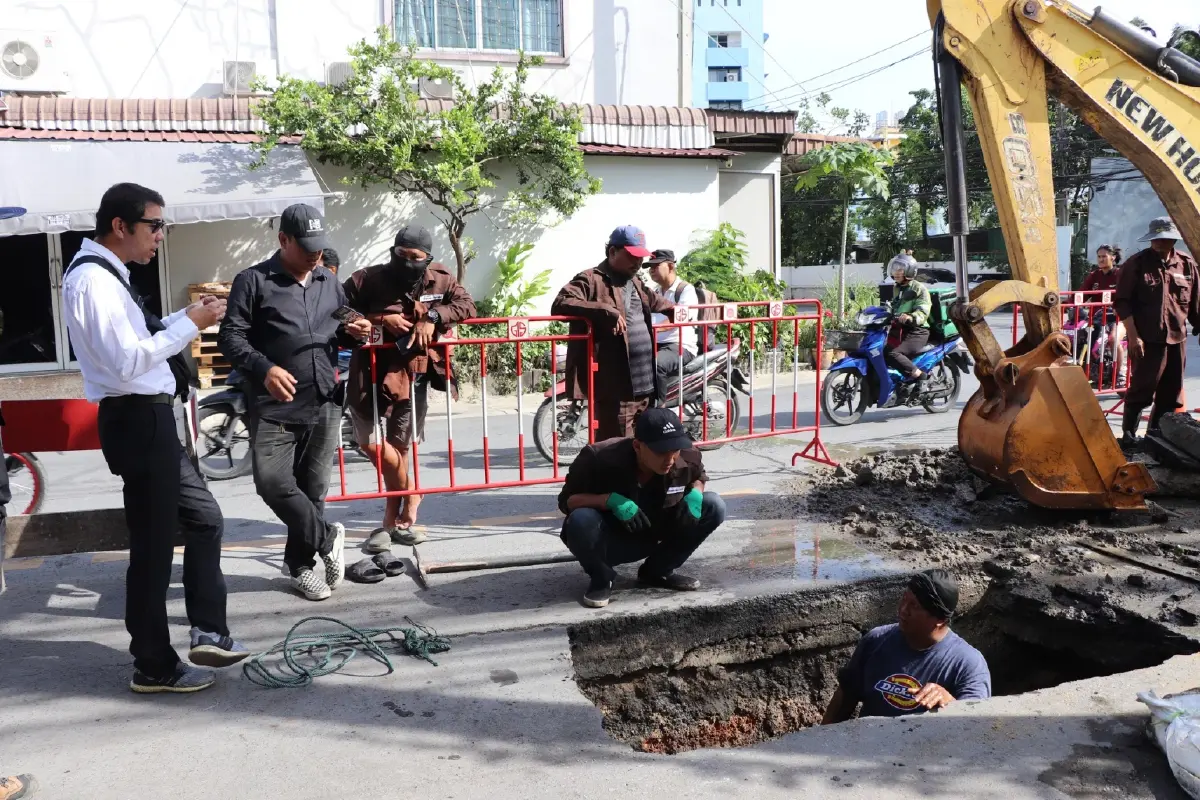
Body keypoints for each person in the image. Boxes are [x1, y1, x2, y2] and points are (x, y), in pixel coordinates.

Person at [61, 182, 247, 694]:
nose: (161, 236)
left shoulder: (107, 275)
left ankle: (208, 630)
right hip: (136, 420)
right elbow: (125, 362)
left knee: (204, 521)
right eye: (154, 225)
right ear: (121, 227)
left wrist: (188, 317)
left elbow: (139, 341)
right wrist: (189, 328)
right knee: (153, 550)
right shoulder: (93, 282)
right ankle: (153, 663)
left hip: (151, 420)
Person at [219, 203, 372, 601]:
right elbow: (230, 338)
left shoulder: (328, 282)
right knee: (272, 483)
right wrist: (264, 368)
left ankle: (301, 566)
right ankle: (327, 536)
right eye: (306, 247)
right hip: (274, 405)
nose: (315, 255)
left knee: (313, 488)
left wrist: (357, 331)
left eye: (320, 247)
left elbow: (340, 328)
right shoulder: (252, 281)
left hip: (323, 398)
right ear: (283, 240)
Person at [343, 225, 476, 552]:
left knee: (399, 447)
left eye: (415, 258)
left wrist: (433, 316)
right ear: (393, 251)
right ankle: (411, 492)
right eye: (401, 255)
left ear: (427, 259)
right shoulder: (367, 279)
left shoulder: (440, 279)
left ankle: (390, 521)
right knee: (371, 444)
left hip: (414, 372)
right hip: (369, 373)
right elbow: (336, 307)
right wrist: (375, 319)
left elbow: (467, 306)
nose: (407, 263)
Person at [557, 407, 726, 608]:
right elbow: (567, 501)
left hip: (656, 532)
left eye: (675, 451)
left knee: (714, 505)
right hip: (613, 539)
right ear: (637, 446)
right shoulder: (598, 458)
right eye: (661, 452)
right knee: (580, 520)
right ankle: (602, 577)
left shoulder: (687, 456)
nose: (670, 460)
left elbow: (698, 477)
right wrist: (609, 500)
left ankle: (657, 571)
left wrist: (697, 493)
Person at [552, 226, 675, 440]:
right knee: (616, 452)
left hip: (645, 387)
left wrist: (675, 310)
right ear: (612, 252)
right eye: (631, 256)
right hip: (617, 391)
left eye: (640, 258)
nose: (637, 263)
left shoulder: (635, 281)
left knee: (643, 453)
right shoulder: (591, 279)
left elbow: (653, 300)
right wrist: (604, 310)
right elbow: (561, 303)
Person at [822, 569, 991, 723]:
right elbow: (844, 698)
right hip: (866, 750)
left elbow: (976, 727)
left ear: (940, 619)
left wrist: (950, 703)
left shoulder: (968, 664)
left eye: (914, 606)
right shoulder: (876, 641)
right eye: (904, 599)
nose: (903, 610)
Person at [1114, 217, 1200, 446]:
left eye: (1164, 239)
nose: (1159, 243)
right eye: (1156, 239)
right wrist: (1133, 336)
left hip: (1177, 339)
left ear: (1173, 240)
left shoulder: (1187, 264)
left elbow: (1195, 304)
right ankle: (1129, 438)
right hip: (1147, 340)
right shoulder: (1136, 264)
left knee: (1171, 395)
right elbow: (1122, 302)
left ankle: (1156, 437)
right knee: (1142, 391)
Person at [646, 248, 699, 377]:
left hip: (679, 346)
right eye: (649, 266)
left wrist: (654, 329)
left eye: (656, 265)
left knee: (656, 364)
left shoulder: (685, 290)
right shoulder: (655, 293)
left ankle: (659, 398)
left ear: (670, 266)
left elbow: (679, 318)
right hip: (656, 344)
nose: (651, 270)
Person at [1077, 245, 1126, 387]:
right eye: (1099, 256)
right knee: (1078, 337)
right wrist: (1066, 305)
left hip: (1119, 318)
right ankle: (1091, 371)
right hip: (1097, 319)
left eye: (1104, 256)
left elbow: (1127, 296)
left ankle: (1120, 373)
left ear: (1113, 257)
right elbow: (1081, 294)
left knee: (1113, 339)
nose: (1101, 259)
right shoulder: (1094, 275)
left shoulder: (1120, 274)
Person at [883, 253, 933, 382]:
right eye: (894, 269)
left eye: (900, 269)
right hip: (900, 330)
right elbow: (894, 306)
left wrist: (910, 317)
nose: (896, 272)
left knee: (893, 353)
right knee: (879, 350)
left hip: (917, 331)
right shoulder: (897, 288)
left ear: (910, 270)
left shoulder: (919, 289)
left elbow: (923, 311)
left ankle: (921, 377)